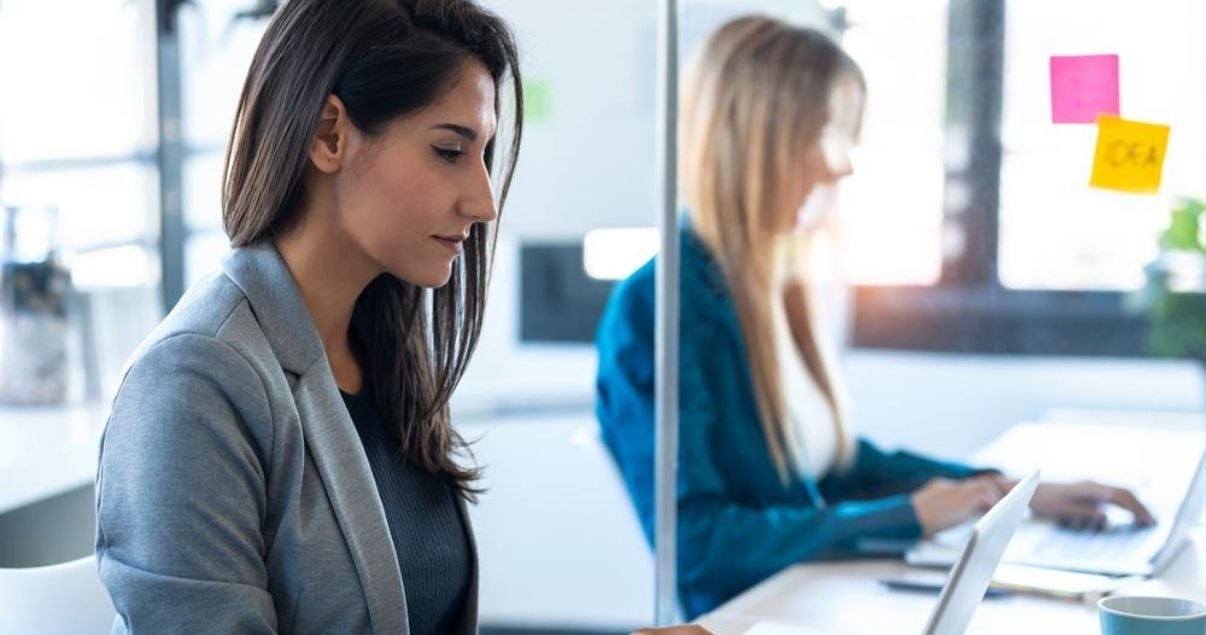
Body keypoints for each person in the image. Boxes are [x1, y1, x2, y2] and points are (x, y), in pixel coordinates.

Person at [95, 0, 713, 633]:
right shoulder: (194, 381)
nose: (485, 201)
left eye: (484, 155)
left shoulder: (379, 345)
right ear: (329, 135)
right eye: (449, 150)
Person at [594, 15, 1154, 620]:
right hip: (756, 614)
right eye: (830, 135)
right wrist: (909, 516)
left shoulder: (772, 286)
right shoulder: (660, 306)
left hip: (810, 596)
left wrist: (1004, 492)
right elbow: (697, 543)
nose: (844, 167)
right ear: (761, 141)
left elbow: (836, 464)